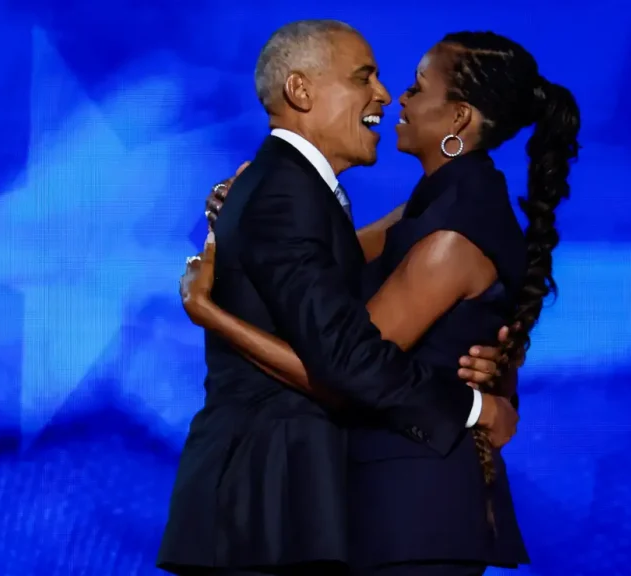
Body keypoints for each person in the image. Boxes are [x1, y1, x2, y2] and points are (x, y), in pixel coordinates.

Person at [181, 31, 580, 576]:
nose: (397, 97)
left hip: (412, 506)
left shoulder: (452, 232)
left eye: (417, 87)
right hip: (391, 503)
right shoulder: (431, 209)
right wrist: (245, 210)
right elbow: (334, 250)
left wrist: (213, 316)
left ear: (459, 119)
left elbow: (350, 366)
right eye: (367, 78)